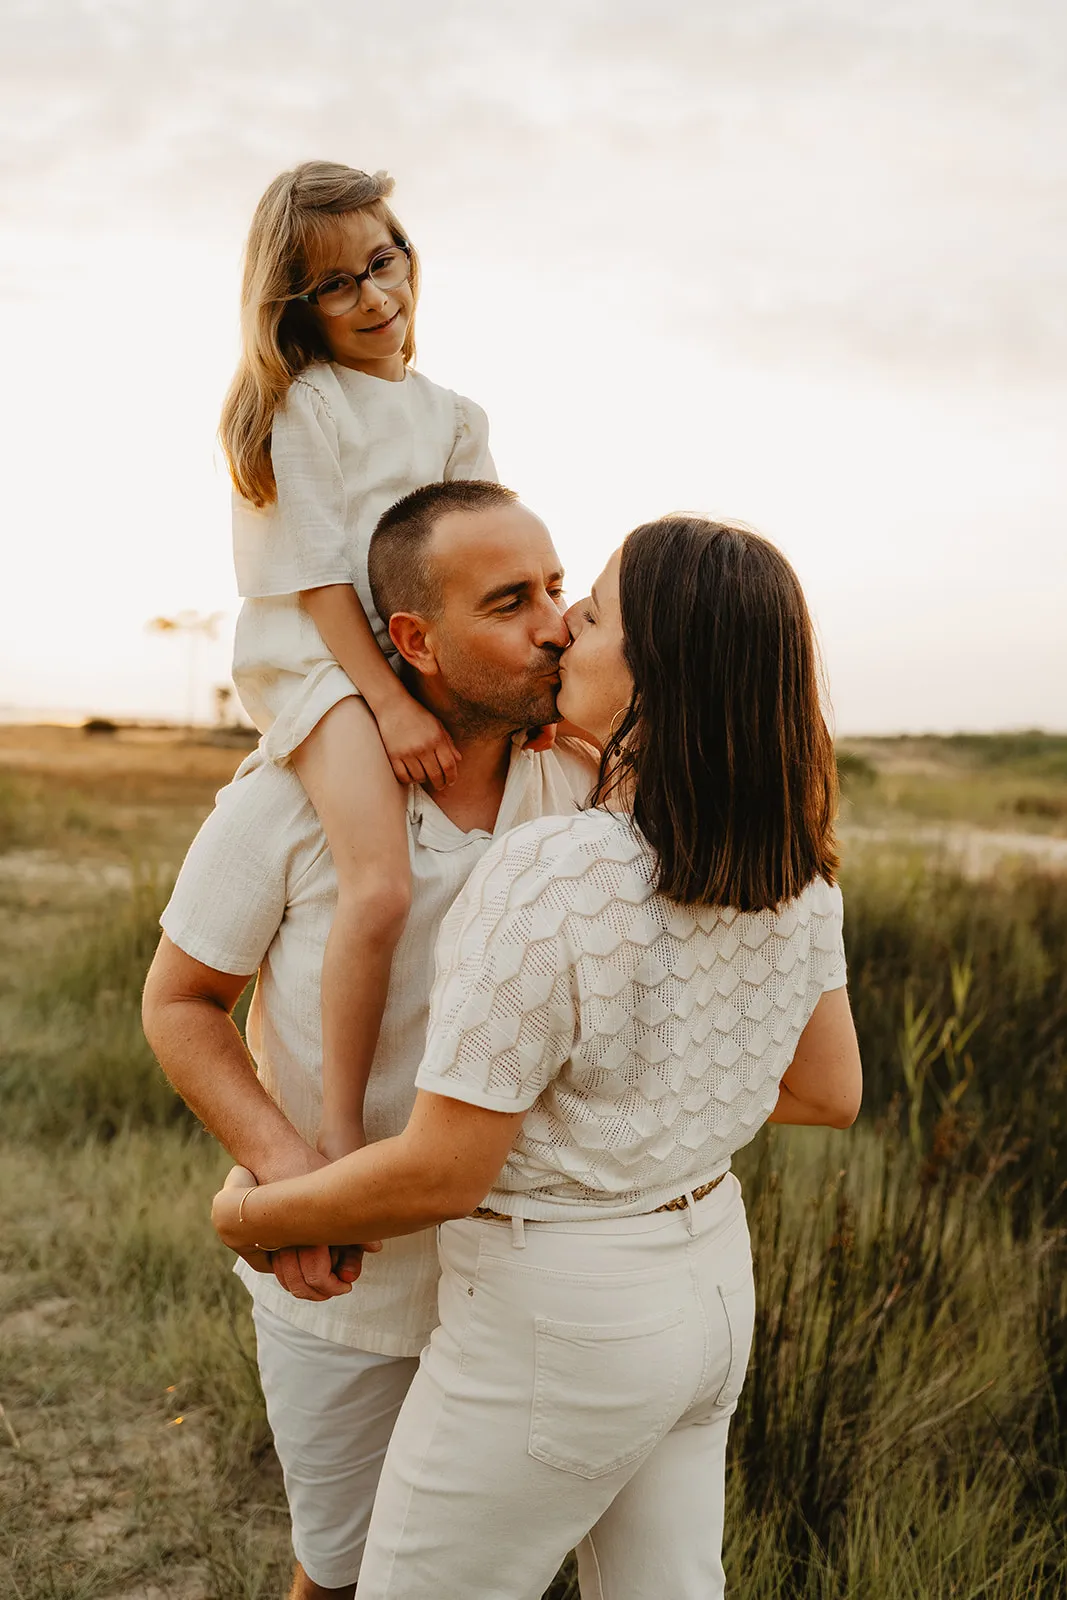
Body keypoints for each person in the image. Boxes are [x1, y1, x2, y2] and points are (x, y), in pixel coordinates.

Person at [212, 514, 863, 1600]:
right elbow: (826, 1090)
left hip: (561, 1317)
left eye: (592, 613)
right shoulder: (793, 865)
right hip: (706, 1290)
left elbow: (445, 1169)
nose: (563, 631)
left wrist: (248, 1217)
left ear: (655, 674)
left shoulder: (553, 868)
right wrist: (640, 1116)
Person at [142, 480, 597, 1600]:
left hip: (537, 1283)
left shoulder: (589, 787)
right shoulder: (292, 798)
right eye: (507, 602)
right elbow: (181, 999)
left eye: (552, 586)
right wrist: (294, 1174)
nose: (554, 620)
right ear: (413, 640)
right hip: (352, 1290)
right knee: (338, 1576)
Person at [220, 160, 496, 1162]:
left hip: (416, 663)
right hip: (322, 662)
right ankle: (336, 1127)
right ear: (297, 305)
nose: (377, 296)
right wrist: (390, 706)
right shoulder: (309, 405)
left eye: (385, 261)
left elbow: (480, 567)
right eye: (339, 284)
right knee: (378, 887)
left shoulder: (456, 418)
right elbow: (322, 583)